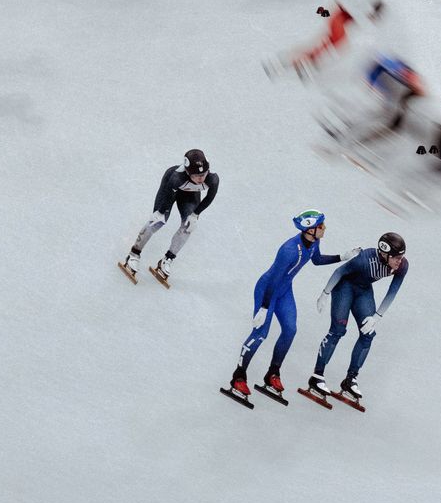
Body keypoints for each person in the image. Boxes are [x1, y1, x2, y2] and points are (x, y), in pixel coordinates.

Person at [225, 212, 340, 403]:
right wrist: (263, 307)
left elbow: (317, 260)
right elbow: (273, 279)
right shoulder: (289, 250)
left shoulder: (314, 242)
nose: (324, 228)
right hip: (267, 291)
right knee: (261, 333)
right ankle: (238, 376)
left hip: (285, 290)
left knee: (290, 330)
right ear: (310, 230)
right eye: (321, 226)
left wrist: (341, 257)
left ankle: (272, 373)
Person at [308, 233, 408, 406]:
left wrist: (378, 316)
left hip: (363, 290)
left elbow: (393, 291)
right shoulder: (363, 259)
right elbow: (339, 271)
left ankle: (350, 380)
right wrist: (325, 293)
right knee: (338, 330)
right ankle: (317, 376)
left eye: (401, 257)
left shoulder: (402, 266)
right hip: (344, 287)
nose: (400, 261)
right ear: (384, 254)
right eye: (396, 258)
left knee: (368, 334)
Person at [119, 150, 219, 286]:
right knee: (157, 222)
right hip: (169, 192)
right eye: (196, 175)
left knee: (188, 227)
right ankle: (134, 254)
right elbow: (168, 197)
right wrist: (160, 212)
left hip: (190, 196)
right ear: (188, 172)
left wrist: (195, 214)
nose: (201, 178)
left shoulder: (213, 179)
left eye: (203, 174)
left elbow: (209, 198)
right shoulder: (176, 177)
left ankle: (167, 259)